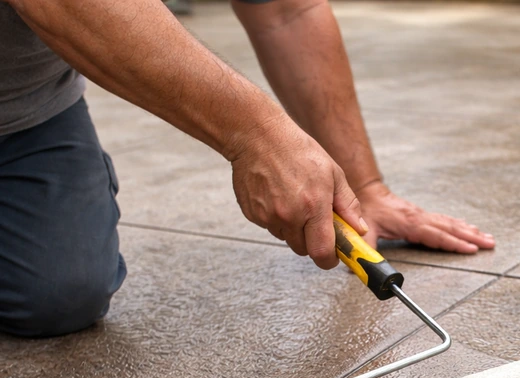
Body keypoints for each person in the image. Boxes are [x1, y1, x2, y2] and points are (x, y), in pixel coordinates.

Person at [0, 0, 495, 337]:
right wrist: (257, 135)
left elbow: (284, 11)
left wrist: (364, 186)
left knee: (59, 294)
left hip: (24, 115)